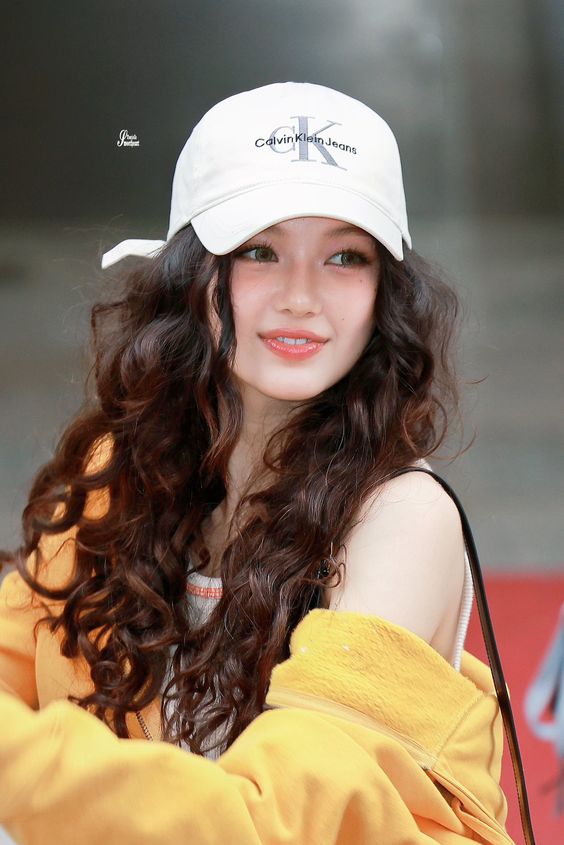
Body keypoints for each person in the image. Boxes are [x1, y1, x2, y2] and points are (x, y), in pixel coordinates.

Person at [0, 81, 516, 844]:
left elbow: (277, 824)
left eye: (345, 256)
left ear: (385, 291)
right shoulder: (127, 468)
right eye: (259, 251)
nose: (301, 296)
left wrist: (24, 770)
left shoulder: (403, 517)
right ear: (191, 273)